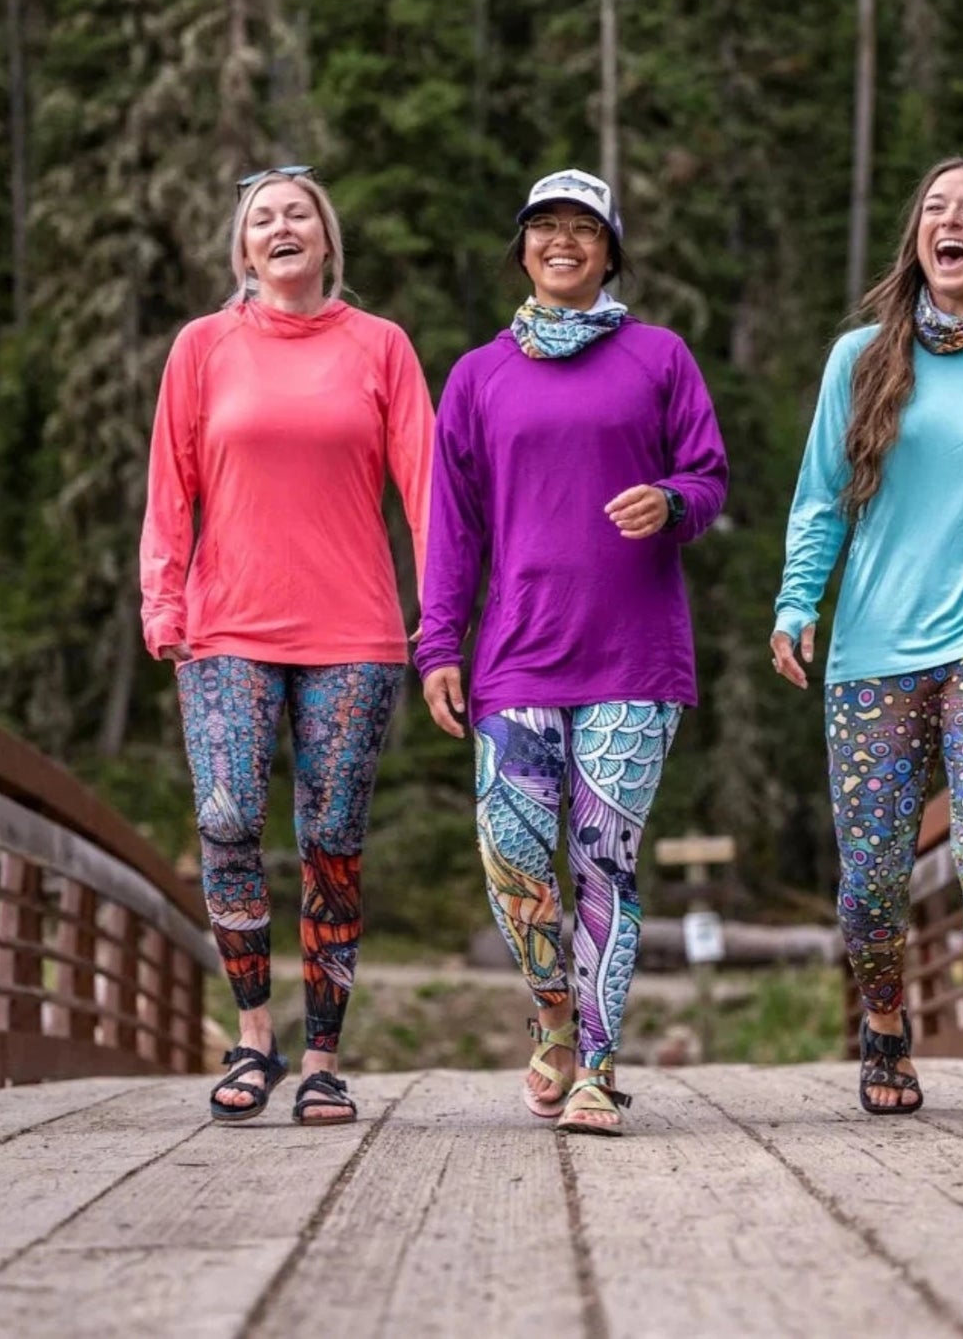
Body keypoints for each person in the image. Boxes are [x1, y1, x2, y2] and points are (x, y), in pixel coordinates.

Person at [415, 169, 728, 1136]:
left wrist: (670, 501)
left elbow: (708, 477)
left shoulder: (659, 357)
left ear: (609, 251)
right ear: (522, 248)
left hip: (633, 657)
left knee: (603, 863)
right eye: (544, 226)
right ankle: (552, 1013)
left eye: (583, 228)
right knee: (511, 857)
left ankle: (596, 1064)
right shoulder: (478, 376)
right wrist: (437, 643)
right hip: (517, 654)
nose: (562, 242)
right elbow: (453, 524)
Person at [771, 155, 963, 1128]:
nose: (950, 219)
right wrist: (796, 602)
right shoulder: (860, 358)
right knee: (870, 880)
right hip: (875, 645)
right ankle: (882, 1026)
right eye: (935, 207)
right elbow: (821, 496)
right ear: (917, 237)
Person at [140, 166, 433, 1125]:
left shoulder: (381, 346)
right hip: (225, 625)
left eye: (297, 213)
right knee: (227, 818)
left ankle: (322, 1058)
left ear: (326, 237)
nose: (280, 226)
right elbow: (169, 483)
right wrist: (162, 600)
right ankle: (253, 1033)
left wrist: (441, 619)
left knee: (332, 841)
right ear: (243, 248)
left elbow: (427, 489)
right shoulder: (202, 346)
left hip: (355, 630)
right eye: (261, 217)